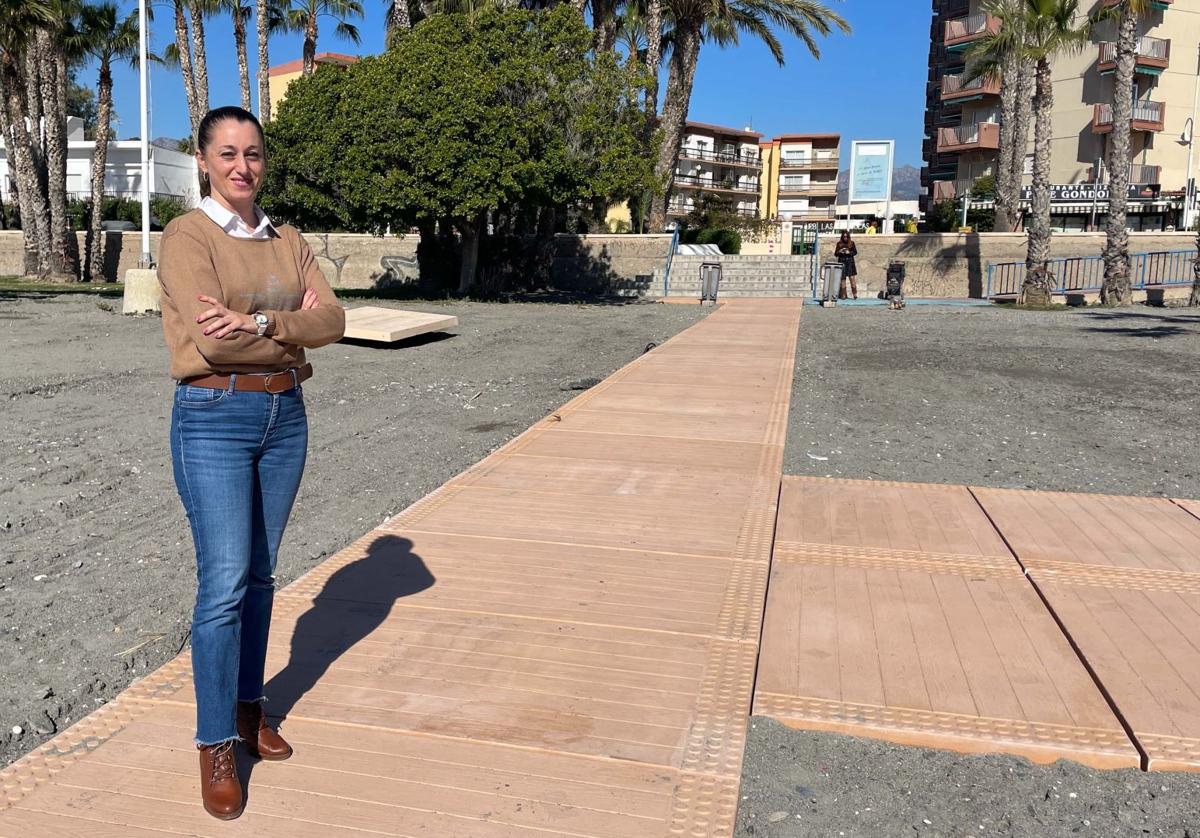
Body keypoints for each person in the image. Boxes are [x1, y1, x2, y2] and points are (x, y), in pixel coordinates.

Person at [157, 105, 345, 820]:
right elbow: (211, 346)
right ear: (203, 160)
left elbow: (334, 319)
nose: (243, 167)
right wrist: (290, 333)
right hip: (213, 417)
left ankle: (247, 709)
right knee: (225, 584)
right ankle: (213, 744)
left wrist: (264, 323)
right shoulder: (188, 237)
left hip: (284, 416)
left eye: (255, 154)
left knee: (262, 576)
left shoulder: (286, 237)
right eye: (228, 154)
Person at [834, 230, 859, 300]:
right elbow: (835, 254)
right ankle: (843, 295)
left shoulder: (852, 243)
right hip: (842, 262)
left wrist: (849, 252)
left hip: (850, 263)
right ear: (842, 237)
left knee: (852, 279)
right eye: (844, 236)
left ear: (848, 237)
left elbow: (855, 252)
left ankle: (855, 294)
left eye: (846, 236)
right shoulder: (839, 244)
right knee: (843, 279)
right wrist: (840, 251)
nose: (845, 238)